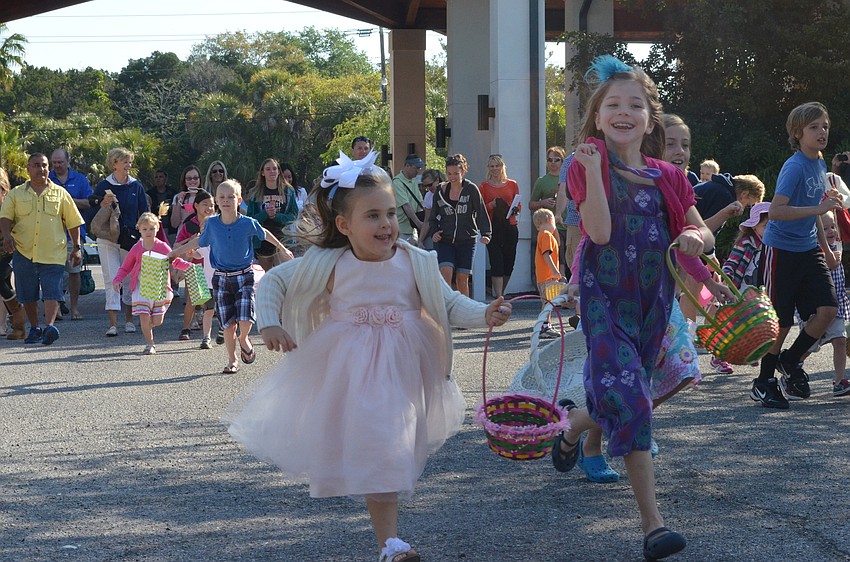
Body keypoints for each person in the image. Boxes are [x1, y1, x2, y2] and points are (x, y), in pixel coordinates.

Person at [227, 151, 512, 562]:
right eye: (373, 216)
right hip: (350, 370)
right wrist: (269, 322)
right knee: (381, 445)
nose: (386, 225)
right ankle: (391, 543)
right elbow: (273, 282)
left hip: (402, 368)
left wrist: (484, 314)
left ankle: (388, 542)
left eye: (391, 213)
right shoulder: (329, 263)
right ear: (344, 225)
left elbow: (449, 303)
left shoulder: (414, 261)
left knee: (387, 446)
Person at [557, 55, 714, 559]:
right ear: (597, 116)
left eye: (635, 105)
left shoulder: (669, 176)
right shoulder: (583, 167)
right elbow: (600, 233)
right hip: (604, 302)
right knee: (634, 399)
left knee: (627, 393)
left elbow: (703, 233)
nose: (623, 112)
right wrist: (594, 170)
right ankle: (654, 525)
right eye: (612, 105)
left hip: (652, 304)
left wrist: (695, 236)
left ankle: (572, 425)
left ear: (649, 120)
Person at [753, 102, 842, 409]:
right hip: (781, 250)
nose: (822, 132)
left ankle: (790, 360)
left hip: (808, 248)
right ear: (797, 133)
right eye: (814, 127)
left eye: (825, 126)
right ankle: (763, 382)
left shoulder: (819, 162)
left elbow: (814, 212)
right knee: (780, 321)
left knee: (827, 311)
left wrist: (826, 247)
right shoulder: (795, 167)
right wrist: (819, 207)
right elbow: (776, 211)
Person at [169, 179, 293, 374]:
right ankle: (232, 360)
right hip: (221, 278)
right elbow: (199, 242)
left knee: (245, 320)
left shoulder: (247, 223)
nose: (226, 200)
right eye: (222, 197)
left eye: (230, 197)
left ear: (239, 200)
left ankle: (243, 338)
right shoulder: (212, 224)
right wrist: (177, 252)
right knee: (228, 324)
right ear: (217, 201)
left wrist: (282, 248)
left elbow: (265, 233)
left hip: (244, 275)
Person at [0, 153, 85, 345]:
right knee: (28, 293)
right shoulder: (16, 194)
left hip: (53, 252)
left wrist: (77, 247)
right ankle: (35, 328)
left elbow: (73, 222)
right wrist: (7, 236)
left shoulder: (61, 193)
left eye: (45, 165)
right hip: (24, 251)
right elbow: (5, 217)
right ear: (28, 169)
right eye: (36, 165)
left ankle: (49, 327)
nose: (42, 169)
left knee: (52, 291)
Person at [112, 212, 191, 355]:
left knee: (157, 321)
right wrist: (118, 279)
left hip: (160, 287)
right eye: (145, 229)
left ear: (157, 229)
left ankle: (148, 326)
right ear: (139, 230)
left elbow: (175, 261)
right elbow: (126, 267)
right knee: (144, 316)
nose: (148, 232)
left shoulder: (162, 246)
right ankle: (150, 344)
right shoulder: (137, 247)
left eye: (151, 229)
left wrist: (189, 266)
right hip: (141, 287)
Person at [93, 147, 150, 337]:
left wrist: (145, 235)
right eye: (125, 161)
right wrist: (101, 203)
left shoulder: (136, 186)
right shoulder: (103, 186)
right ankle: (113, 324)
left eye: (130, 161)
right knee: (111, 278)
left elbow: (144, 212)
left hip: (130, 240)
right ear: (114, 164)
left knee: (129, 279)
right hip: (107, 238)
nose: (128, 165)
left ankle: (129, 320)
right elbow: (92, 207)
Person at [794, 210, 850, 398]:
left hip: (837, 305)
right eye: (825, 228)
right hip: (816, 309)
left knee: (840, 340)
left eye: (832, 226)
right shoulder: (814, 251)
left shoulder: (836, 247)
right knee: (809, 346)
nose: (831, 231)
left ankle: (839, 381)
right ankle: (791, 367)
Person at [429, 153, 492, 297]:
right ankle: (445, 306)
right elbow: (432, 218)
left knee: (462, 279)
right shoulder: (440, 190)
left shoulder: (471, 189)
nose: (452, 177)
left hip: (466, 240)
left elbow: (481, 212)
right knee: (445, 272)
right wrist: (434, 232)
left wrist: (486, 233)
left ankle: (464, 308)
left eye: (456, 174)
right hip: (445, 240)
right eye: (449, 173)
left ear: (463, 172)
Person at [48, 148, 92, 321]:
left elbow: (89, 202)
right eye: (54, 162)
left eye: (60, 162)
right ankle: (56, 308)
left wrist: (67, 201)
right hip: (51, 233)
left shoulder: (80, 179)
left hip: (74, 234)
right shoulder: (47, 179)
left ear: (68, 162)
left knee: (74, 271)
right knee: (54, 272)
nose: (57, 165)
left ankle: (74, 308)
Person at [173, 188, 217, 343]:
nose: (209, 208)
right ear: (196, 206)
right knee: (192, 300)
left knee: (212, 300)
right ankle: (185, 329)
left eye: (212, 205)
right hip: (195, 266)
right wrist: (191, 240)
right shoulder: (189, 225)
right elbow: (177, 245)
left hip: (214, 268)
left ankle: (218, 330)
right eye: (205, 204)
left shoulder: (218, 223)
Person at [245, 158, 299, 271]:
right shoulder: (255, 193)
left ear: (279, 171)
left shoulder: (288, 191)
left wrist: (277, 216)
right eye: (268, 169)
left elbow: (293, 215)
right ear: (262, 173)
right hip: (262, 241)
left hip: (283, 238)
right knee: (268, 274)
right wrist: (265, 214)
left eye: (274, 169)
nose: (272, 172)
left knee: (283, 273)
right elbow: (250, 219)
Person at [480, 154, 521, 299]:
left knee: (509, 262)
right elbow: (479, 209)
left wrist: (515, 209)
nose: (495, 168)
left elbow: (519, 204)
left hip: (510, 226)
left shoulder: (512, 184)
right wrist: (491, 205)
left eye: (497, 165)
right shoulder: (483, 186)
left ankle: (502, 292)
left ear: (502, 167)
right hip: (493, 228)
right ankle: (498, 296)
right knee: (496, 262)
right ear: (488, 168)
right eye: (492, 166)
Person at [534, 147, 569, 276]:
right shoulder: (542, 181)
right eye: (550, 160)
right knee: (559, 257)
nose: (553, 163)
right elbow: (531, 204)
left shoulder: (569, 178)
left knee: (572, 257)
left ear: (563, 161)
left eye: (556, 160)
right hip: (552, 226)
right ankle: (560, 281)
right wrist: (543, 203)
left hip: (571, 224)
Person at [0, 167, 26, 340]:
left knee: (1, 281)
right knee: (4, 286)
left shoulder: (10, 203)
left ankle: (18, 317)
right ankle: (18, 325)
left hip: (8, 250)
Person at [533, 209, 566, 339]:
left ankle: (547, 325)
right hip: (547, 276)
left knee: (548, 302)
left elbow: (558, 243)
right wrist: (555, 271)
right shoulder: (546, 235)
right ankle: (544, 326)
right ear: (549, 220)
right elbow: (546, 255)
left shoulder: (544, 234)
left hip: (544, 276)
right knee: (548, 303)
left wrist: (554, 228)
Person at [722, 202, 770, 290]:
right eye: (766, 226)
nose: (770, 229)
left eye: (773, 225)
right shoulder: (746, 243)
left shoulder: (774, 246)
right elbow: (731, 263)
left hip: (764, 291)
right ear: (754, 226)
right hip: (743, 290)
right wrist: (727, 278)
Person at [391, 154, 426, 244]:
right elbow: (406, 205)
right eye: (416, 168)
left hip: (411, 229)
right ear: (407, 166)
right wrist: (418, 223)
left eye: (419, 168)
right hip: (401, 229)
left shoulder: (413, 180)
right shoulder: (397, 182)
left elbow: (420, 202)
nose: (418, 171)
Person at [662, 114, 699, 185]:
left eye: (685, 145)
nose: (680, 151)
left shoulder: (692, 189)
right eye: (670, 144)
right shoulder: (642, 188)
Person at [416, 168, 445, 251]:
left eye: (430, 185)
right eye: (425, 186)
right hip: (436, 232)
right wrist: (420, 240)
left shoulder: (448, 191)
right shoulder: (429, 196)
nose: (428, 188)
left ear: (437, 180)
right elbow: (427, 221)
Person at [146, 169, 177, 238]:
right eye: (156, 177)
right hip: (155, 228)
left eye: (161, 177)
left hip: (170, 229)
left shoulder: (173, 193)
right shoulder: (149, 194)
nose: (158, 179)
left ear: (166, 179)